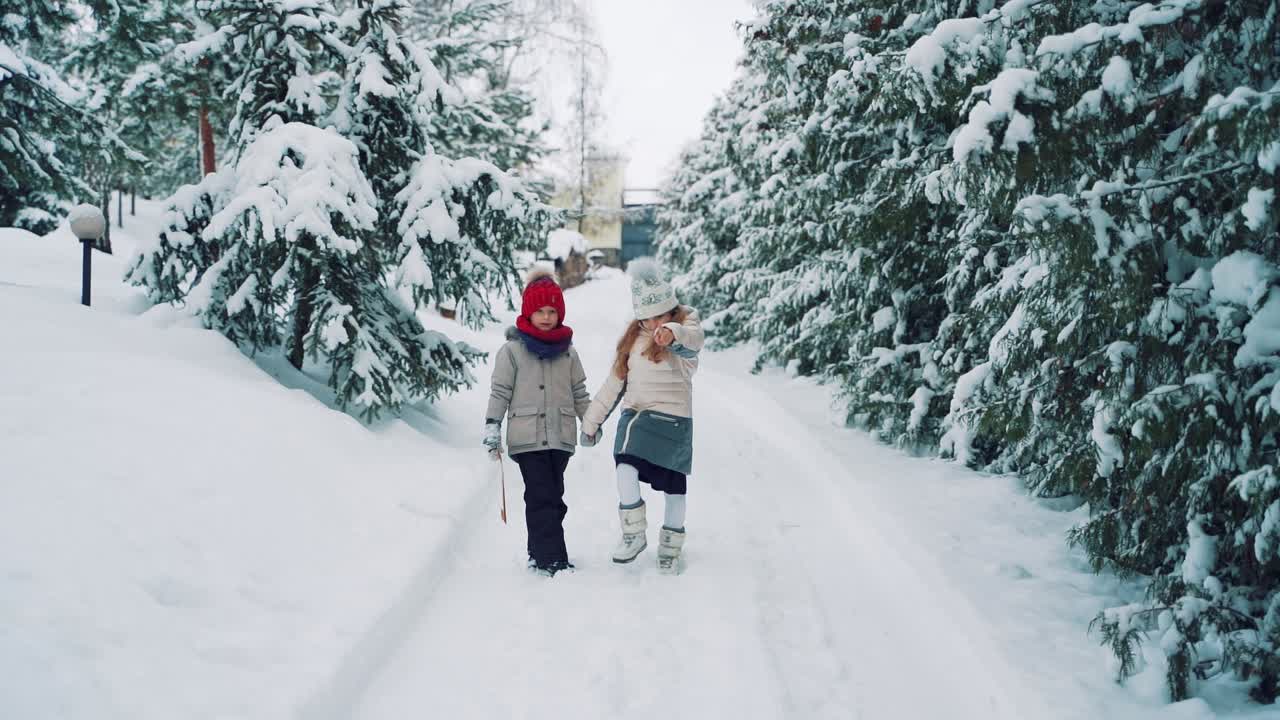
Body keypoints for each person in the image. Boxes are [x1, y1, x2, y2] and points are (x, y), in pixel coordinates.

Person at [580, 258, 704, 574]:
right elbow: (612, 386)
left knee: (675, 488)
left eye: (661, 316)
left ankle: (671, 548)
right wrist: (591, 423)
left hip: (673, 422)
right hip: (637, 418)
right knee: (624, 463)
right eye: (647, 319)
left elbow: (693, 340)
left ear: (672, 311)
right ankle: (633, 533)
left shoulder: (685, 330)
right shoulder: (633, 342)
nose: (654, 325)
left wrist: (673, 334)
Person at [484, 270, 590, 576]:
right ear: (528, 313)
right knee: (541, 494)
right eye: (540, 311)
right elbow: (500, 391)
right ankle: (552, 560)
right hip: (526, 436)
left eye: (552, 311)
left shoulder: (568, 353)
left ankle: (537, 551)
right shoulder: (512, 351)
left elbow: (579, 391)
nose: (546, 317)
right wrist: (493, 425)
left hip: (560, 436)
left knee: (553, 497)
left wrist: (590, 422)